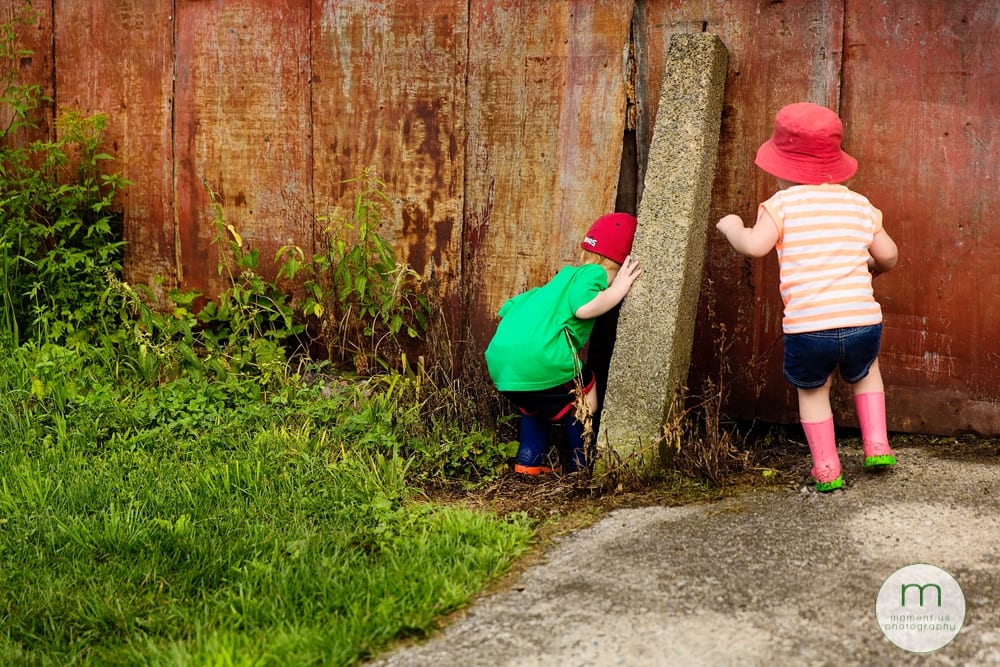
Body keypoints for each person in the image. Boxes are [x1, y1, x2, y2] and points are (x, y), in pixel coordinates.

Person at [716, 102, 899, 492]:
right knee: (867, 376)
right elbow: (888, 255)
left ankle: (828, 468)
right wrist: (874, 268)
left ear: (781, 167)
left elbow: (755, 246)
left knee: (814, 392)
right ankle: (877, 445)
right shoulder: (860, 205)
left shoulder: (781, 205)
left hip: (809, 328)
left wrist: (733, 227)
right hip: (861, 322)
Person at [485, 212, 642, 475]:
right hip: (542, 359)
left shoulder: (559, 282)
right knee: (582, 396)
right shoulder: (593, 273)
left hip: (504, 366)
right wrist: (617, 290)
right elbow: (583, 308)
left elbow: (508, 308)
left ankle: (527, 463)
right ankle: (578, 466)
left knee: (534, 407)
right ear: (621, 263)